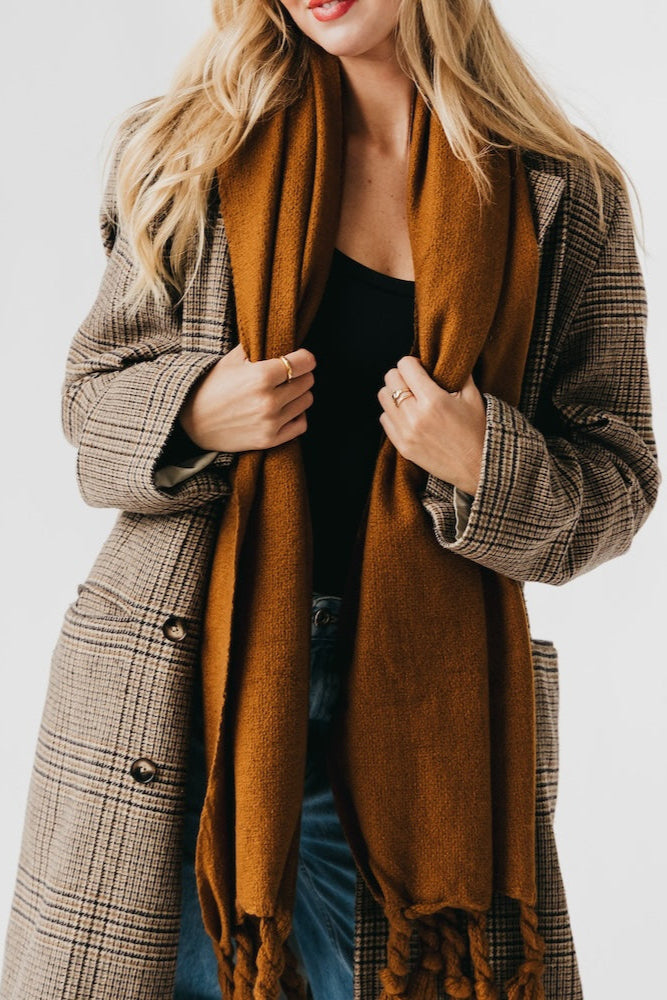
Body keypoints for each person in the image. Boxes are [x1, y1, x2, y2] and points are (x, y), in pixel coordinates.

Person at [0, 2, 661, 999]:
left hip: (416, 716)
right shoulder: (192, 144)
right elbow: (90, 410)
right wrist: (192, 411)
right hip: (181, 695)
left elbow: (619, 479)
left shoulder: (562, 190)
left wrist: (487, 460)